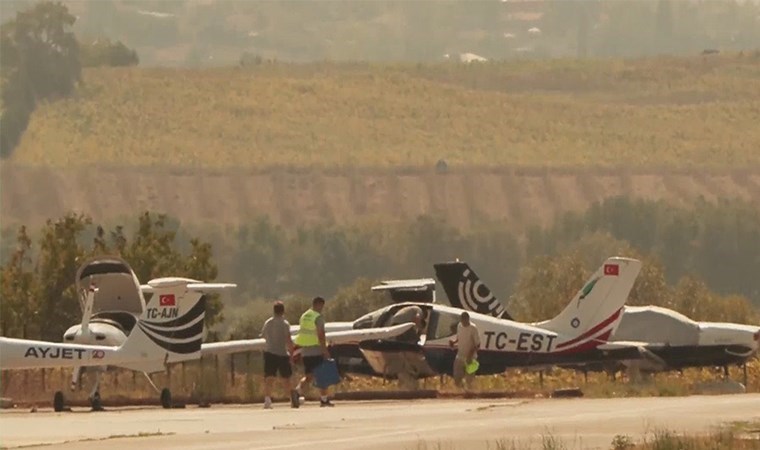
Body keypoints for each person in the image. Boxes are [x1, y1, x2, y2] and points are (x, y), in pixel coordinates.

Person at [294, 296, 334, 407]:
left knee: (309, 376)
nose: (322, 308)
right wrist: (325, 350)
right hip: (316, 349)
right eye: (322, 306)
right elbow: (321, 334)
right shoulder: (318, 317)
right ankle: (324, 399)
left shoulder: (305, 315)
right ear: (318, 304)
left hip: (305, 350)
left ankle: (297, 391)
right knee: (322, 375)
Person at [260, 301, 299, 409]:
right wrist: (292, 354)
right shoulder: (285, 324)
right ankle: (292, 399)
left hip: (269, 353)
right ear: (283, 311)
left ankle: (267, 400)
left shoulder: (268, 322)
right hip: (282, 353)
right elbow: (288, 340)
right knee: (286, 378)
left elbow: (263, 335)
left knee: (269, 377)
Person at [448, 311, 480, 391]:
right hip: (460, 355)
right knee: (457, 376)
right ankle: (460, 391)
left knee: (469, 379)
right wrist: (454, 342)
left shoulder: (473, 328)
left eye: (465, 320)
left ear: (468, 319)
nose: (463, 322)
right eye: (462, 320)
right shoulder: (459, 326)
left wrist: (470, 355)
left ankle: (470, 393)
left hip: (471, 358)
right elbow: (459, 337)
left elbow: (477, 344)